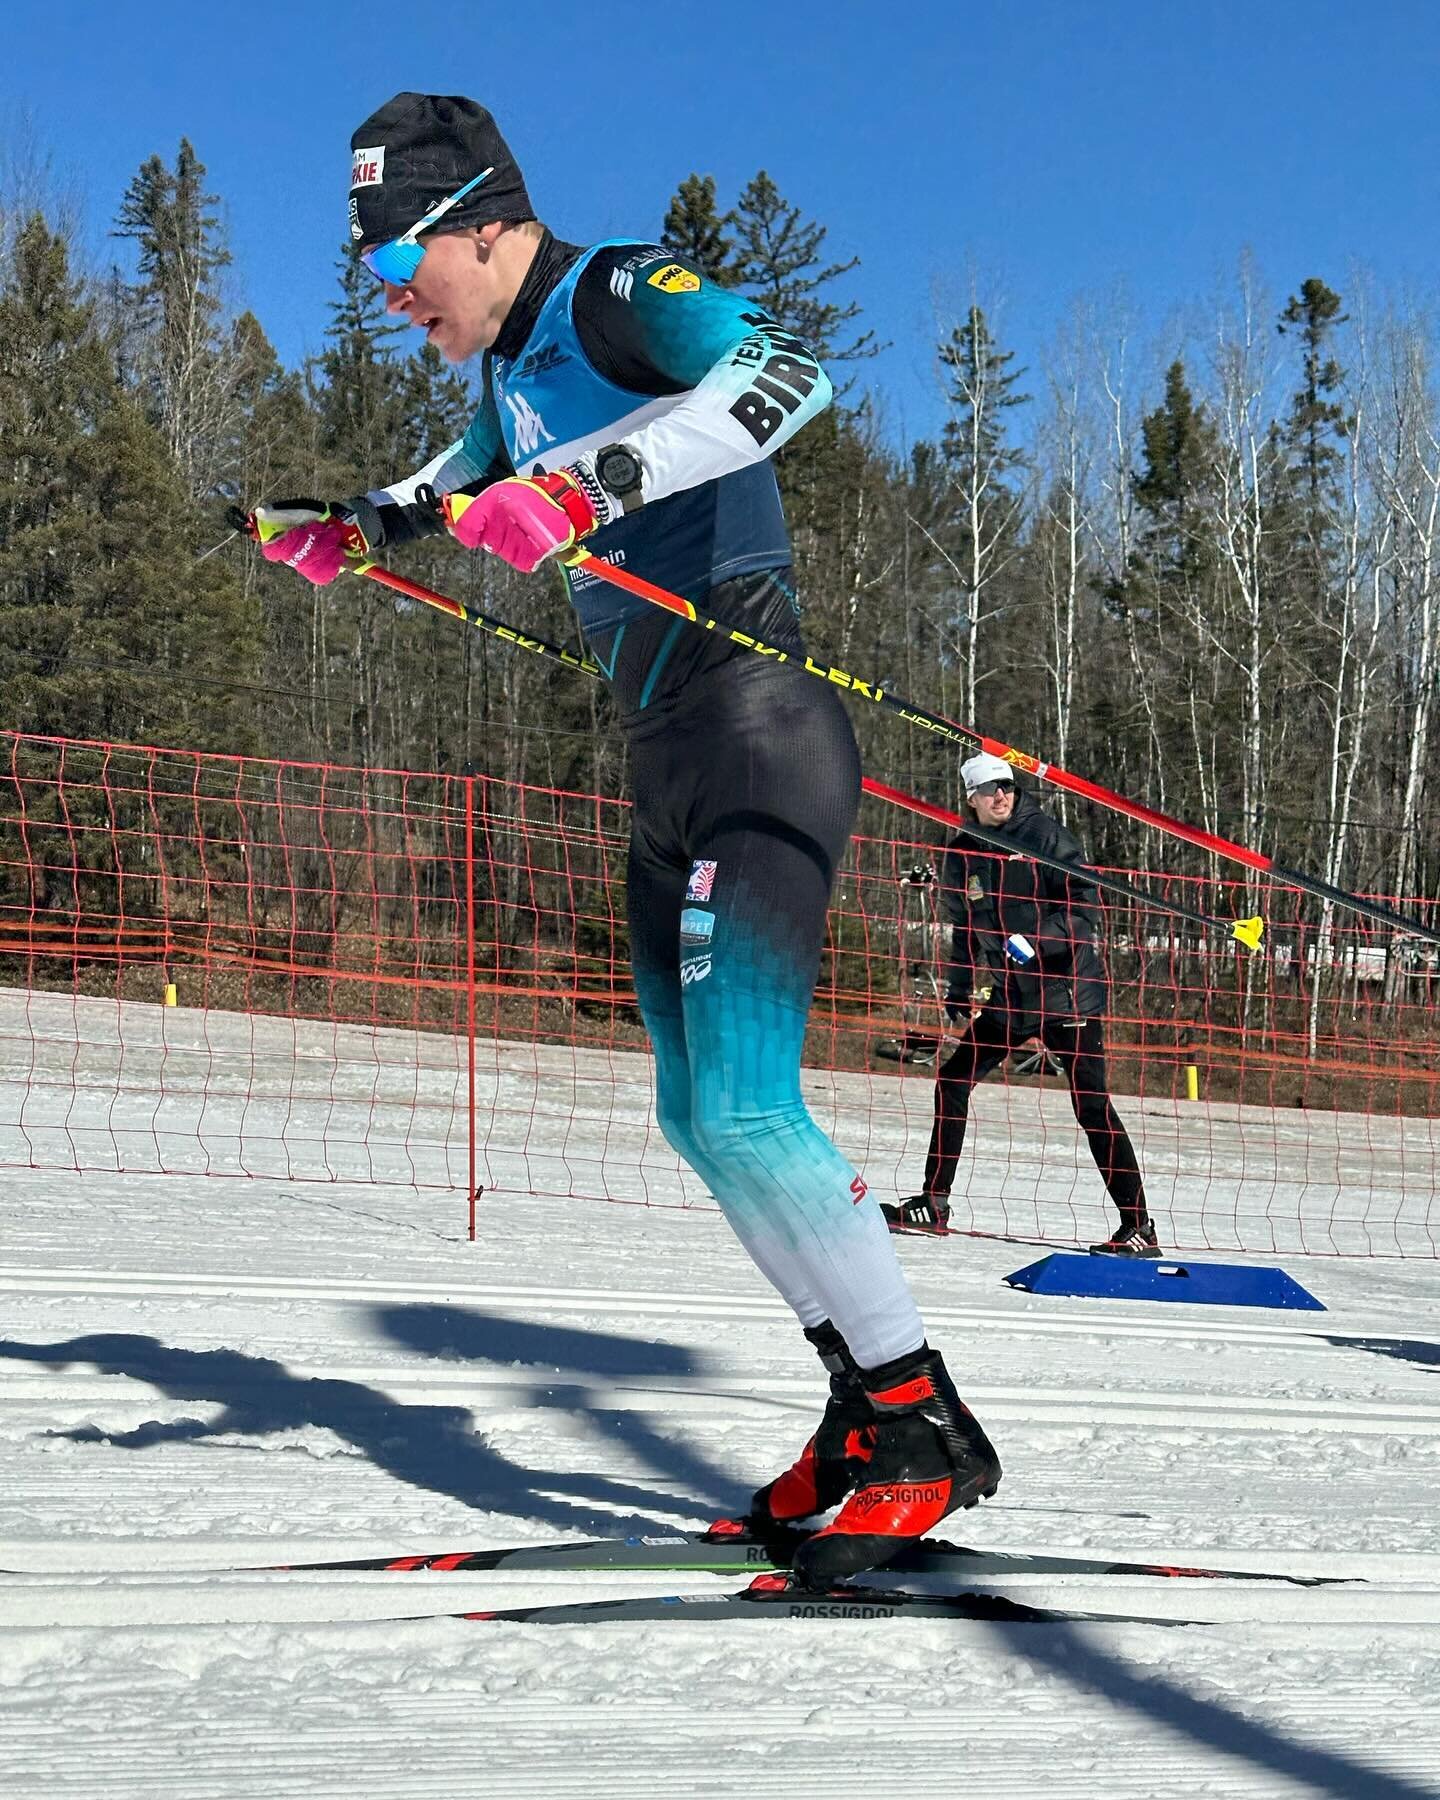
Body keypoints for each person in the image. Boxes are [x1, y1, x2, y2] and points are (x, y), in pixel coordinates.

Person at [246, 93, 1000, 1587]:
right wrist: (354, 524)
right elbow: (466, 469)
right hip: (666, 752)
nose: (396, 296)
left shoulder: (612, 293)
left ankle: (925, 1429)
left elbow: (791, 377)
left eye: (406, 260)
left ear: (485, 223)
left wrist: (586, 484)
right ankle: (867, 1408)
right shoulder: (518, 365)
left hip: (760, 732)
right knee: (693, 1116)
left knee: (746, 1104)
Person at [882, 751, 1160, 1256]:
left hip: (1066, 993)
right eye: (989, 789)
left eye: (1006, 785)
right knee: (953, 1078)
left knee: (1090, 1105)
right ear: (971, 798)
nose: (1001, 795)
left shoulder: (1048, 838)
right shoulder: (963, 852)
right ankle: (934, 1203)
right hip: (1010, 997)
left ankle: (1139, 1225)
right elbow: (965, 927)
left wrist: (1035, 939)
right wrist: (959, 987)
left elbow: (1083, 912)